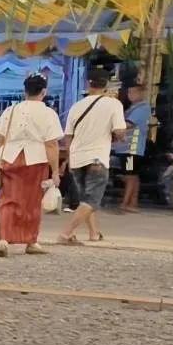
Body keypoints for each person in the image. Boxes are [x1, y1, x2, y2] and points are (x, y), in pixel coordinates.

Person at [0, 74, 63, 257]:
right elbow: (51, 144)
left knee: (8, 199)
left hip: (10, 158)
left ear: (24, 91)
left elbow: (0, 139)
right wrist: (55, 171)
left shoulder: (10, 111)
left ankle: (3, 239)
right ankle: (31, 241)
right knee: (32, 201)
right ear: (44, 92)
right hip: (36, 160)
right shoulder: (48, 114)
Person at [58, 70, 126, 245]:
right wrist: (121, 136)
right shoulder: (114, 104)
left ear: (89, 84)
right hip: (97, 159)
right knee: (91, 201)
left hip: (77, 159)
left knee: (86, 199)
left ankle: (94, 233)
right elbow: (119, 132)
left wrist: (69, 158)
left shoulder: (76, 106)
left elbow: (68, 135)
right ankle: (66, 233)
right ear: (107, 85)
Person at [114, 83, 151, 213]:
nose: (131, 95)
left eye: (134, 92)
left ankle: (125, 203)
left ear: (141, 93)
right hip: (126, 148)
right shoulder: (133, 108)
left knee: (130, 176)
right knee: (133, 176)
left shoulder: (142, 108)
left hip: (131, 149)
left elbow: (128, 124)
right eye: (129, 92)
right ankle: (132, 203)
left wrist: (113, 124)